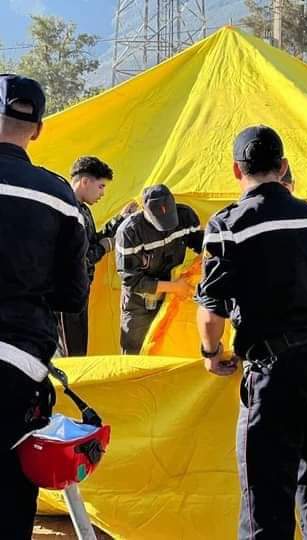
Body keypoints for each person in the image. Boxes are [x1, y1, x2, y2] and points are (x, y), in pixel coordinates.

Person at [195, 125, 307, 539]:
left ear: (236, 170)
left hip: (275, 369)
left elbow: (211, 311)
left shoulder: (228, 224)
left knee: (264, 496)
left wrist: (211, 353)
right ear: (283, 167)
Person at [0, 74, 88, 539]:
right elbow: (72, 297)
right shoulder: (58, 196)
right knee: (12, 492)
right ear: (38, 129)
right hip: (19, 364)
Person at [57, 156, 138, 356]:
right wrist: (103, 247)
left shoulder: (82, 210)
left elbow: (91, 241)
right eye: (101, 186)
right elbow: (77, 259)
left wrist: (120, 220)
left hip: (77, 291)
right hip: (65, 293)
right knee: (71, 354)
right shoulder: (68, 212)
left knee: (77, 350)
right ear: (85, 181)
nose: (103, 193)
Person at [115, 184, 203, 354]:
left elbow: (202, 246)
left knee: (168, 349)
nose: (167, 226)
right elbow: (131, 281)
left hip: (172, 299)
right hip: (139, 302)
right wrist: (175, 287)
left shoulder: (186, 216)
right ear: (144, 211)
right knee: (134, 353)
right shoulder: (129, 232)